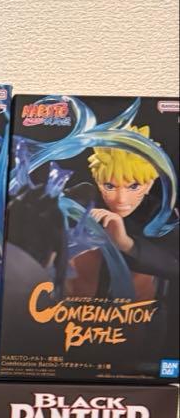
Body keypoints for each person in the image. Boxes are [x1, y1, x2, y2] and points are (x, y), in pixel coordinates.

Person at [68, 125, 179, 300]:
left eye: (133, 186)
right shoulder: (80, 200)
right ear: (98, 181)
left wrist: (127, 244)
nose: (121, 199)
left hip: (137, 308)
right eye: (109, 186)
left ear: (149, 184)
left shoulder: (159, 214)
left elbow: (174, 265)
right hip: (73, 304)